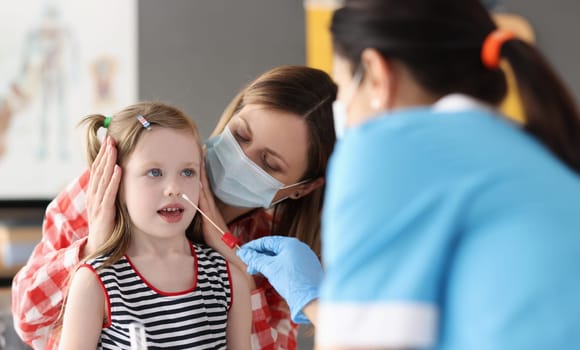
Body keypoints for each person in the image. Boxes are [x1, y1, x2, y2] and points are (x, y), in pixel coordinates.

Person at [237, 0, 580, 349]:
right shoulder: (540, 154)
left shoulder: (390, 145)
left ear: (376, 73)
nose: (346, 115)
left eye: (342, 88)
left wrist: (317, 301)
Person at [12, 66, 337, 349]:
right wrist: (95, 248)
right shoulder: (110, 186)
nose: (242, 157)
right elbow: (28, 322)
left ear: (302, 188)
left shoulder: (274, 259)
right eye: (240, 134)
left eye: (268, 163)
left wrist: (237, 268)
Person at [57, 101, 251, 349]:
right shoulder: (94, 281)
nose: (174, 189)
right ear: (117, 184)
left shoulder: (230, 279)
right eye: (154, 173)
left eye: (188, 172)